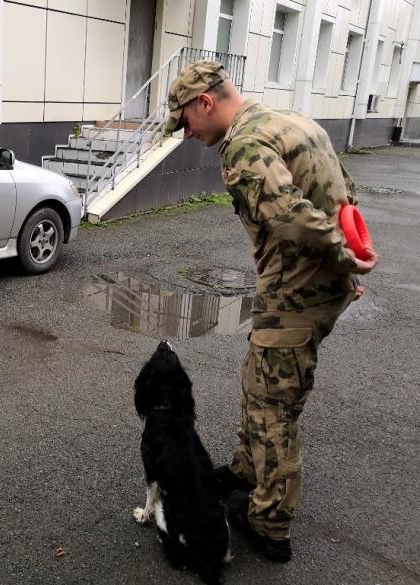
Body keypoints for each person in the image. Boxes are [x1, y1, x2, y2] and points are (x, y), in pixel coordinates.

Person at [162, 61, 378, 562]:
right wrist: (344, 270)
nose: (189, 133)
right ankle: (245, 470)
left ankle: (269, 522)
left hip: (296, 296)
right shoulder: (296, 123)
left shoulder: (243, 146)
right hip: (313, 288)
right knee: (263, 385)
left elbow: (294, 219)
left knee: (274, 407)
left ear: (205, 102)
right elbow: (344, 201)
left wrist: (346, 263)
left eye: (186, 121)